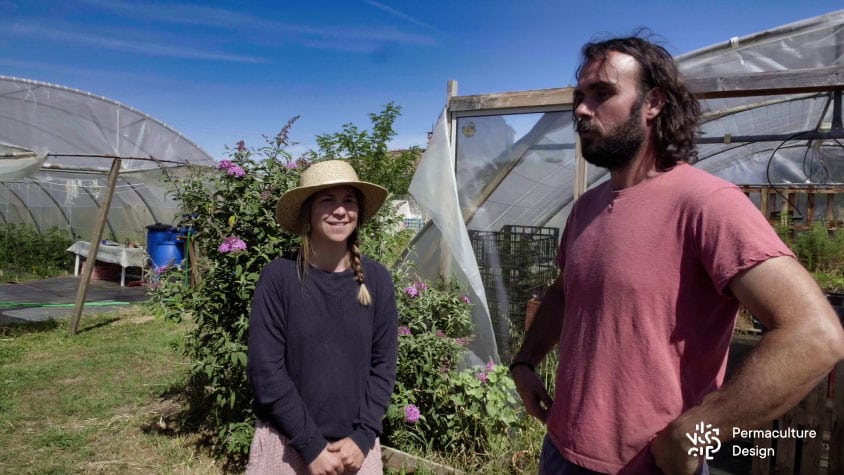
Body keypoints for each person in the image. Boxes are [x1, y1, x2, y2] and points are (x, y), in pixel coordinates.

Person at [509, 34, 844, 474]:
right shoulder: (586, 208)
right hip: (560, 452)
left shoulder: (707, 203)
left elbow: (816, 337)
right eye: (580, 96)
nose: (581, 110)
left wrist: (696, 434)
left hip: (650, 465)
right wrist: (525, 361)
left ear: (653, 104)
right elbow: (564, 292)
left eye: (602, 93)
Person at [246, 160, 398, 475]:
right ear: (308, 214)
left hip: (355, 451)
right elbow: (266, 373)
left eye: (348, 201)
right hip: (286, 445)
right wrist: (311, 445)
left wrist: (364, 435)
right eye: (327, 200)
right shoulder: (279, 278)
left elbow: (383, 368)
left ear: (358, 213)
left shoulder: (378, 281)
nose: (340, 210)